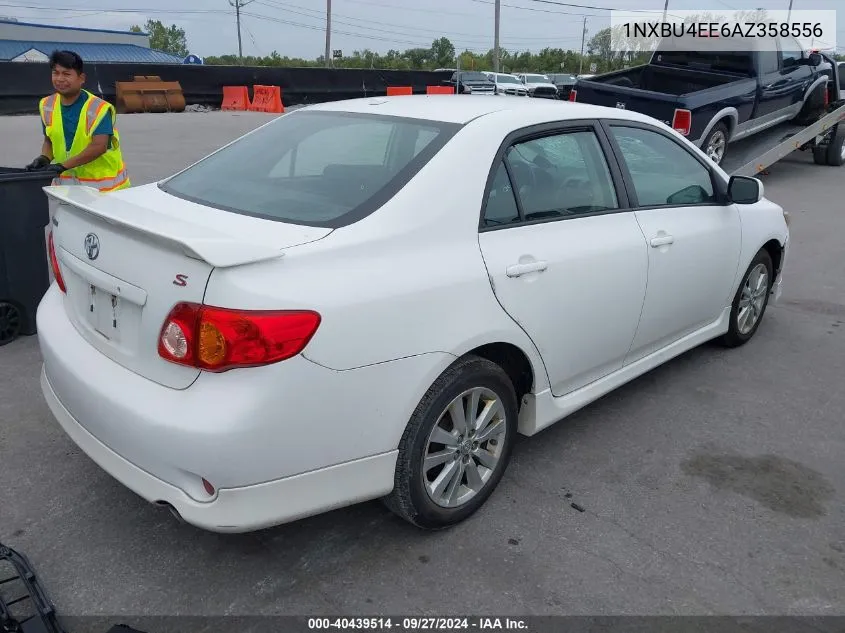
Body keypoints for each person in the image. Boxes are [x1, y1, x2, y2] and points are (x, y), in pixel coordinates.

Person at [26, 50, 130, 192]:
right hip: (67, 189)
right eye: (55, 73)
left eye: (66, 74)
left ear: (82, 78)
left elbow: (99, 146)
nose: (60, 79)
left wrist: (62, 166)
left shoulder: (98, 108)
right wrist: (44, 157)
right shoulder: (46, 105)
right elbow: (49, 140)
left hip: (103, 191)